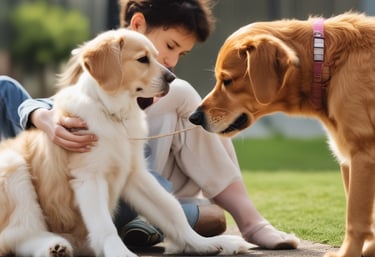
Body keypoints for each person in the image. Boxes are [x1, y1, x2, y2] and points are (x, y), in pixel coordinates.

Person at [0, 0, 300, 250]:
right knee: (183, 96)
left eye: (180, 54)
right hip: (76, 197)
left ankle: (229, 220)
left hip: (135, 186)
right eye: (170, 45)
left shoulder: (150, 86)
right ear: (138, 24)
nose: (170, 62)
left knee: (188, 110)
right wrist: (38, 113)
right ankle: (245, 221)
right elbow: (46, 102)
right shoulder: (103, 65)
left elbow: (137, 174)